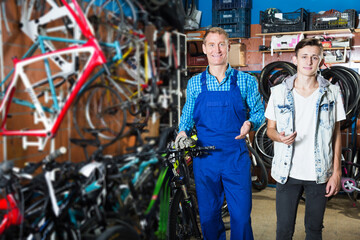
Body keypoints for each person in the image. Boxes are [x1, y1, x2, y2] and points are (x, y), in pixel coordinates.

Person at [175, 27, 265, 240]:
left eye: (221, 44)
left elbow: (259, 112)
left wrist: (250, 123)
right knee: (208, 216)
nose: (217, 49)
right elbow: (187, 116)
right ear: (205, 48)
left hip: (236, 156)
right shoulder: (195, 83)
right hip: (205, 158)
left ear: (228, 47)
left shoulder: (246, 81)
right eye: (212, 44)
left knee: (241, 216)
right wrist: (181, 133)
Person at [265, 38, 345, 240]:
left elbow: (336, 134)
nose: (309, 61)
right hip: (287, 172)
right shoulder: (279, 92)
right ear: (295, 59)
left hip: (318, 173)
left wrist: (336, 173)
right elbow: (270, 130)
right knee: (283, 231)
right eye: (304, 57)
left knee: (314, 229)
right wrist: (280, 138)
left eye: (314, 57)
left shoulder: (333, 93)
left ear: (320, 60)